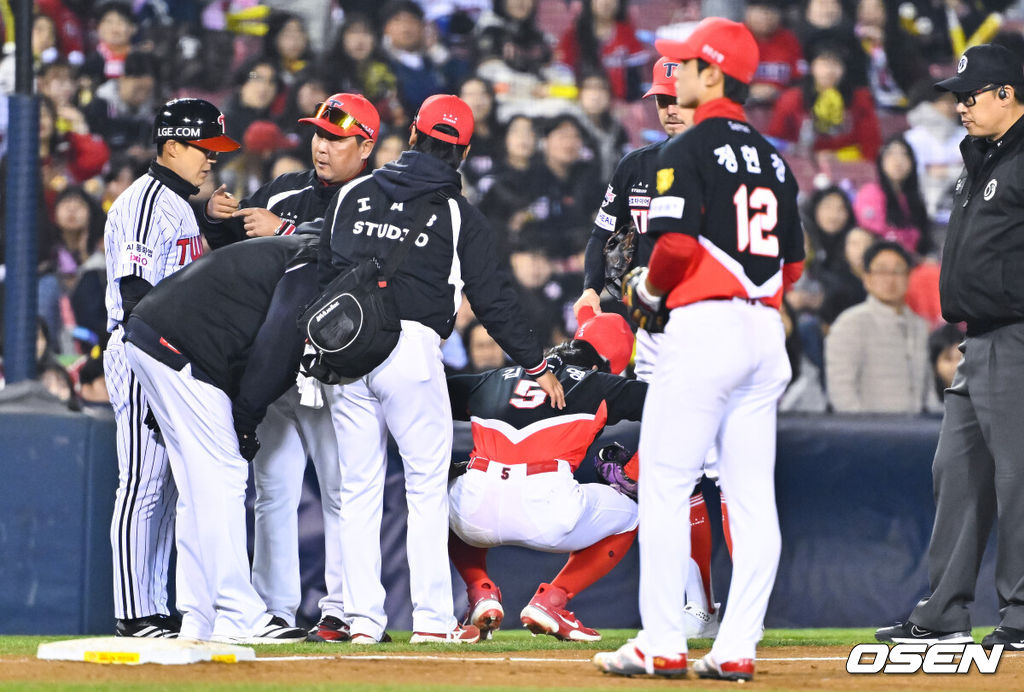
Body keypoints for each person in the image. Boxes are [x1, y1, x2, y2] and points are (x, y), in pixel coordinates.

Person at [594, 18, 804, 681]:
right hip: (765, 333)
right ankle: (737, 645)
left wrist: (648, 291)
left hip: (704, 326)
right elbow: (793, 267)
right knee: (751, 500)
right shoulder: (774, 159)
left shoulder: (682, 152)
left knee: (664, 482)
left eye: (683, 64)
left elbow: (678, 247)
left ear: (713, 75)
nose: (673, 75)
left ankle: (662, 642)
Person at [318, 93, 566, 645]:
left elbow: (322, 273)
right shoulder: (458, 215)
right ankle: (430, 620)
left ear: (411, 135)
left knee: (357, 488)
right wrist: (536, 363)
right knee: (424, 488)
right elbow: (495, 301)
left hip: (347, 348)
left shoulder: (353, 192)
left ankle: (361, 621)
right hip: (411, 348)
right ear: (465, 151)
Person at [202, 92, 380, 641]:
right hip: (271, 360)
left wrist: (282, 232)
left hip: (335, 366)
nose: (322, 146)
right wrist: (218, 219)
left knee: (340, 488)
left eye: (336, 138)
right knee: (273, 487)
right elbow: (232, 250)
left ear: (366, 146)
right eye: (318, 135)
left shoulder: (376, 197)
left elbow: (357, 263)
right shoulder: (286, 187)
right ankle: (274, 611)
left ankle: (343, 608)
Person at [875, 43, 1024, 651]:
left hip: (1016, 337)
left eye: (971, 95)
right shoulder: (982, 157)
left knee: (1019, 479)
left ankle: (1020, 614)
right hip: (977, 340)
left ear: (1007, 95)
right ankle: (944, 611)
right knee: (957, 472)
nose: (960, 106)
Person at [573, 56, 720, 639]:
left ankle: (706, 605)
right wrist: (589, 286)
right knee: (671, 465)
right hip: (652, 332)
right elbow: (604, 235)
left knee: (715, 468)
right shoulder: (634, 166)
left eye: (675, 97)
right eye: (660, 100)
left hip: (708, 325)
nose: (668, 108)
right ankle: (696, 605)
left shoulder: (717, 166)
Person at [122, 233, 316, 644]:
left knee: (197, 490)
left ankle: (200, 616)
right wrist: (246, 420)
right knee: (224, 475)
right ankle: (238, 614)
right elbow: (277, 345)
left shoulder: (294, 248)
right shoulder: (316, 261)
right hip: (181, 346)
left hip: (153, 336)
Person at [103, 97, 239, 638]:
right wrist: (164, 364)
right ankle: (135, 612)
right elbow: (135, 294)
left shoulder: (180, 203)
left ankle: (155, 607)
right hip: (141, 353)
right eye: (204, 148)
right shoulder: (143, 202)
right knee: (142, 485)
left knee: (167, 490)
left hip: (169, 356)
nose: (212, 160)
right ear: (172, 145)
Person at [448, 309, 641, 642]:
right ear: (602, 367)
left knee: (436, 494)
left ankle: (479, 590)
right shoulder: (600, 382)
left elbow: (425, 400)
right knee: (630, 516)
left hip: (474, 510)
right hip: (547, 509)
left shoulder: (495, 375)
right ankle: (553, 600)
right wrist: (634, 470)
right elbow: (674, 406)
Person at [824, 240, 937, 413]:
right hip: (869, 434)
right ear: (867, 278)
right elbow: (842, 394)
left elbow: (927, 390)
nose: (890, 279)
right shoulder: (849, 324)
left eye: (898, 271)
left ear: (908, 277)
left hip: (916, 432)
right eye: (882, 271)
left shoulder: (920, 326)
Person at [854, 136, 932, 257]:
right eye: (891, 154)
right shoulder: (870, 193)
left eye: (904, 155)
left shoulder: (913, 197)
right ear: (881, 160)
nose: (898, 161)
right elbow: (874, 236)